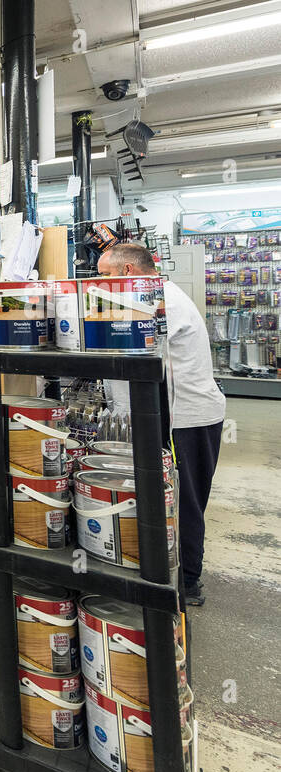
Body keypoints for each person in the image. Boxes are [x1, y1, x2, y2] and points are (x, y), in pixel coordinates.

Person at [99, 242, 226, 606]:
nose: (99, 282)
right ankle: (166, 573)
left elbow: (136, 353)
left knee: (181, 502)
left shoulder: (159, 301)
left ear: (127, 272)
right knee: (167, 499)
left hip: (186, 418)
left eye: (104, 275)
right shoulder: (145, 299)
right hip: (170, 415)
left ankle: (187, 585)